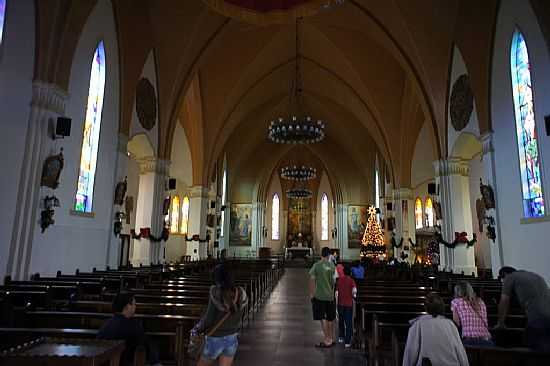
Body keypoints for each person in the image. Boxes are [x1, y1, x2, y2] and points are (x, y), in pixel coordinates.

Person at [196, 264, 248, 366]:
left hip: (215, 338)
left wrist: (198, 329)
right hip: (232, 337)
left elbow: (209, 320)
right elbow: (240, 315)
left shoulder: (215, 292)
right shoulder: (241, 292)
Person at [402, 293, 469, 366]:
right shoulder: (450, 325)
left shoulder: (417, 325)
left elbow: (411, 352)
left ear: (426, 308)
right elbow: (460, 350)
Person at [97, 292, 161, 366]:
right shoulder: (134, 325)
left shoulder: (106, 324)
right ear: (127, 306)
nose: (135, 307)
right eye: (134, 304)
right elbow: (146, 346)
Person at [496, 266, 550, 352]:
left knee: (533, 350)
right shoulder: (536, 276)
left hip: (538, 318)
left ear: (504, 274)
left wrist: (500, 323)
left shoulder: (510, 277)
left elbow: (504, 301)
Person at [309, 246, 337, 348]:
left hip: (319, 295)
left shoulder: (317, 265)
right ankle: (331, 338)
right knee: (330, 318)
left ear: (321, 254)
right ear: (329, 255)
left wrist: (312, 294)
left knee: (322, 319)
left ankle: (327, 340)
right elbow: (334, 282)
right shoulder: (332, 266)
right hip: (330, 296)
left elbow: (312, 280)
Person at [451, 281, 493, 346]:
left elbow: (457, 323)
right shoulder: (481, 302)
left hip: (469, 339)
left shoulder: (456, 302)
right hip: (487, 339)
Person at [336, 265, 357, 348]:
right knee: (348, 322)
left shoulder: (339, 280)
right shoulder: (351, 280)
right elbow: (354, 291)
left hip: (340, 304)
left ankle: (341, 337)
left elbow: (337, 292)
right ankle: (347, 342)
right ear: (350, 273)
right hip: (348, 304)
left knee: (341, 320)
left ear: (344, 272)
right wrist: (353, 296)